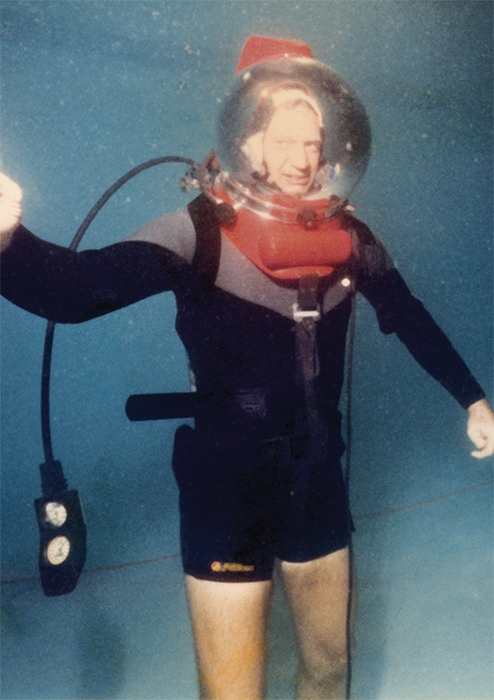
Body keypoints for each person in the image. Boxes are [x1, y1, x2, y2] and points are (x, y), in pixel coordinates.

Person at [1, 36, 493, 700]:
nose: (302, 157)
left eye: (314, 141)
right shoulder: (198, 231)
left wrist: (474, 398)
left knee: (327, 669)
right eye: (284, 139)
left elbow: (408, 315)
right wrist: (8, 241)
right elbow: (76, 290)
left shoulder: (350, 236)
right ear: (251, 142)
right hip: (224, 487)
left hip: (316, 475)